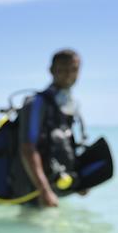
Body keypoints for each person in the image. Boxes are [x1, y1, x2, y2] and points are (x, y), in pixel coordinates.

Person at [18, 49, 85, 208]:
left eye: (74, 69)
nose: (69, 74)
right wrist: (44, 190)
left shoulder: (67, 105)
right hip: (34, 192)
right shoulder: (37, 103)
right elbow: (27, 148)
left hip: (55, 189)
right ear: (52, 71)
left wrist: (80, 181)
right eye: (63, 69)